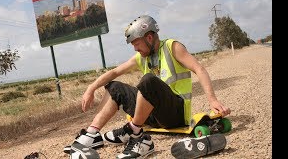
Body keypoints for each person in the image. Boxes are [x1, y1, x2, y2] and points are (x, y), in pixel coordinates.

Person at [63, 15, 231, 158]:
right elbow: (114, 72)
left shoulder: (172, 47)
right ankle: (93, 135)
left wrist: (212, 100)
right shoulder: (141, 57)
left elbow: (199, 69)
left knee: (148, 80)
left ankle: (136, 135)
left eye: (136, 44)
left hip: (175, 114)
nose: (135, 49)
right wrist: (91, 88)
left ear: (149, 37)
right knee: (114, 86)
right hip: (153, 116)